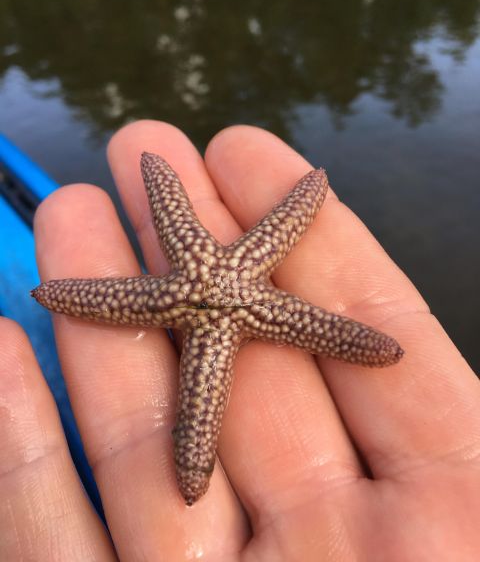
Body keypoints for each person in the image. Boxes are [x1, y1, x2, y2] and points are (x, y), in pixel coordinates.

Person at [1, 122, 478, 561]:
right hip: (236, 302)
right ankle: (192, 475)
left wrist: (60, 292)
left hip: (220, 311)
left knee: (205, 408)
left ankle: (193, 475)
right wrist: (310, 190)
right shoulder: (246, 271)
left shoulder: (213, 291)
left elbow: (210, 215)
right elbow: (275, 222)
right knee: (205, 406)